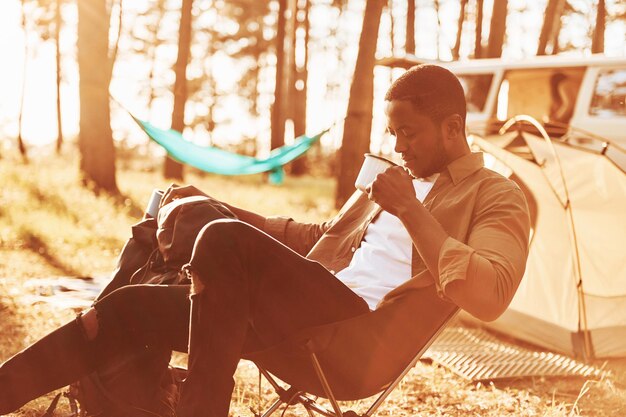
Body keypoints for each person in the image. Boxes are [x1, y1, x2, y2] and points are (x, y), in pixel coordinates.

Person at [0, 64, 530, 417]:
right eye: (393, 134)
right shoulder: (393, 180)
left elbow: (490, 293)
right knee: (156, 247)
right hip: (296, 305)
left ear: (453, 128)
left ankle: (192, 404)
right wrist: (220, 207)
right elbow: (316, 237)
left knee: (221, 237)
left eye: (408, 133)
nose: (399, 146)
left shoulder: (497, 197)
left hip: (351, 333)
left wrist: (411, 209)